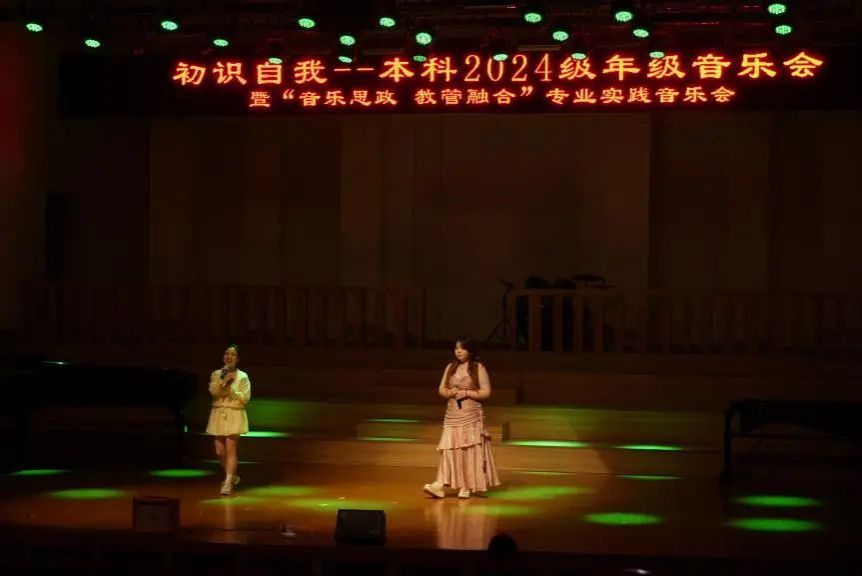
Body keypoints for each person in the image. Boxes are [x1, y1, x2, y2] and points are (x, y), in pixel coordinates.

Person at [423, 338, 500, 499]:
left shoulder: (478, 367)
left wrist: (467, 393)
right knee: (449, 449)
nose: (458, 351)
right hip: (452, 415)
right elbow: (442, 389)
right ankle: (439, 484)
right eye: (456, 348)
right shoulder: (451, 367)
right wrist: (450, 392)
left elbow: (486, 391)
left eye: (462, 348)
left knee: (468, 450)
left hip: (470, 415)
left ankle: (466, 485)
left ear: (470, 350)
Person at [206, 344, 251, 496]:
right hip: (219, 412)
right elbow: (214, 391)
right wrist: (223, 381)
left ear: (238, 359)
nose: (229, 357)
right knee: (220, 451)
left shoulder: (243, 376)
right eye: (226, 354)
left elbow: (245, 398)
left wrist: (232, 387)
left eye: (232, 354)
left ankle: (227, 482)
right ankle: (233, 476)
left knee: (231, 448)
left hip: (234, 412)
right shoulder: (217, 374)